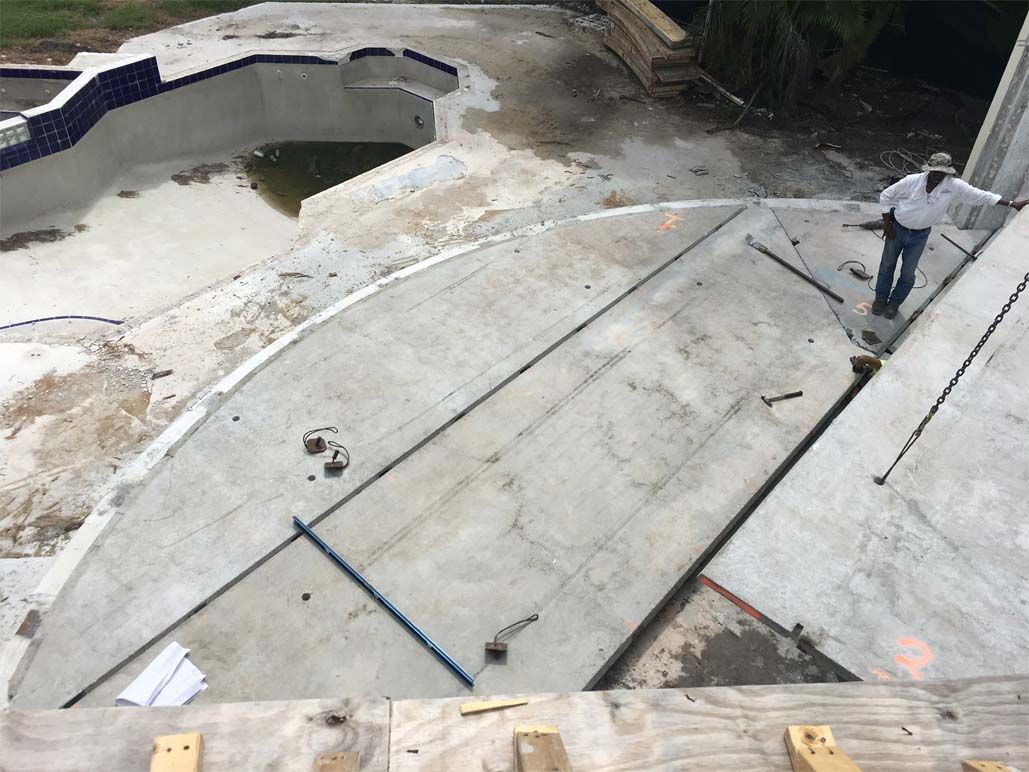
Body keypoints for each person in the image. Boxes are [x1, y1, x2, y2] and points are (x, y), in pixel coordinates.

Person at [873, 152, 1026, 319]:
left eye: (942, 172)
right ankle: (880, 299)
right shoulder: (912, 181)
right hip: (897, 230)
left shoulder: (953, 186)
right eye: (935, 171)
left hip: (920, 236)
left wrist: (1012, 204)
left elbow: (980, 195)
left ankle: (894, 303)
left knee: (908, 273)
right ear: (929, 169)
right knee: (887, 266)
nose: (938, 175)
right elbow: (886, 195)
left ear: (948, 172)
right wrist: (887, 223)